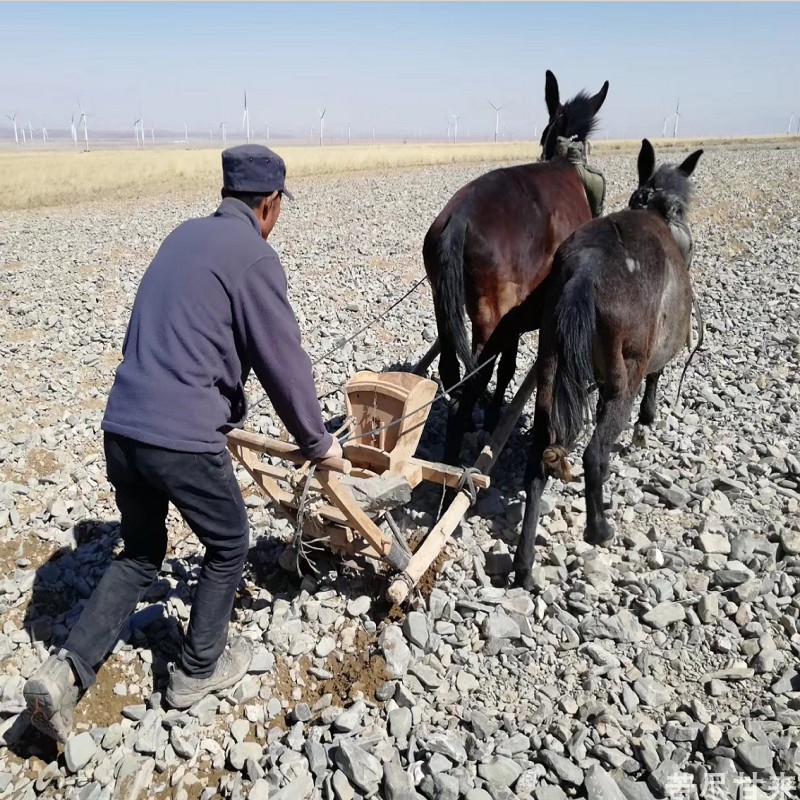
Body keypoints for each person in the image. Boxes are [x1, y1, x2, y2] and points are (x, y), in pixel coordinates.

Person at [23, 144, 342, 742]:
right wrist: (319, 441)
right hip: (180, 438)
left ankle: (64, 674)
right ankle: (198, 669)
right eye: (280, 210)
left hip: (122, 426)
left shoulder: (180, 237)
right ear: (269, 205)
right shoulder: (253, 256)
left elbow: (148, 332)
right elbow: (284, 363)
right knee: (229, 540)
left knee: (142, 553)